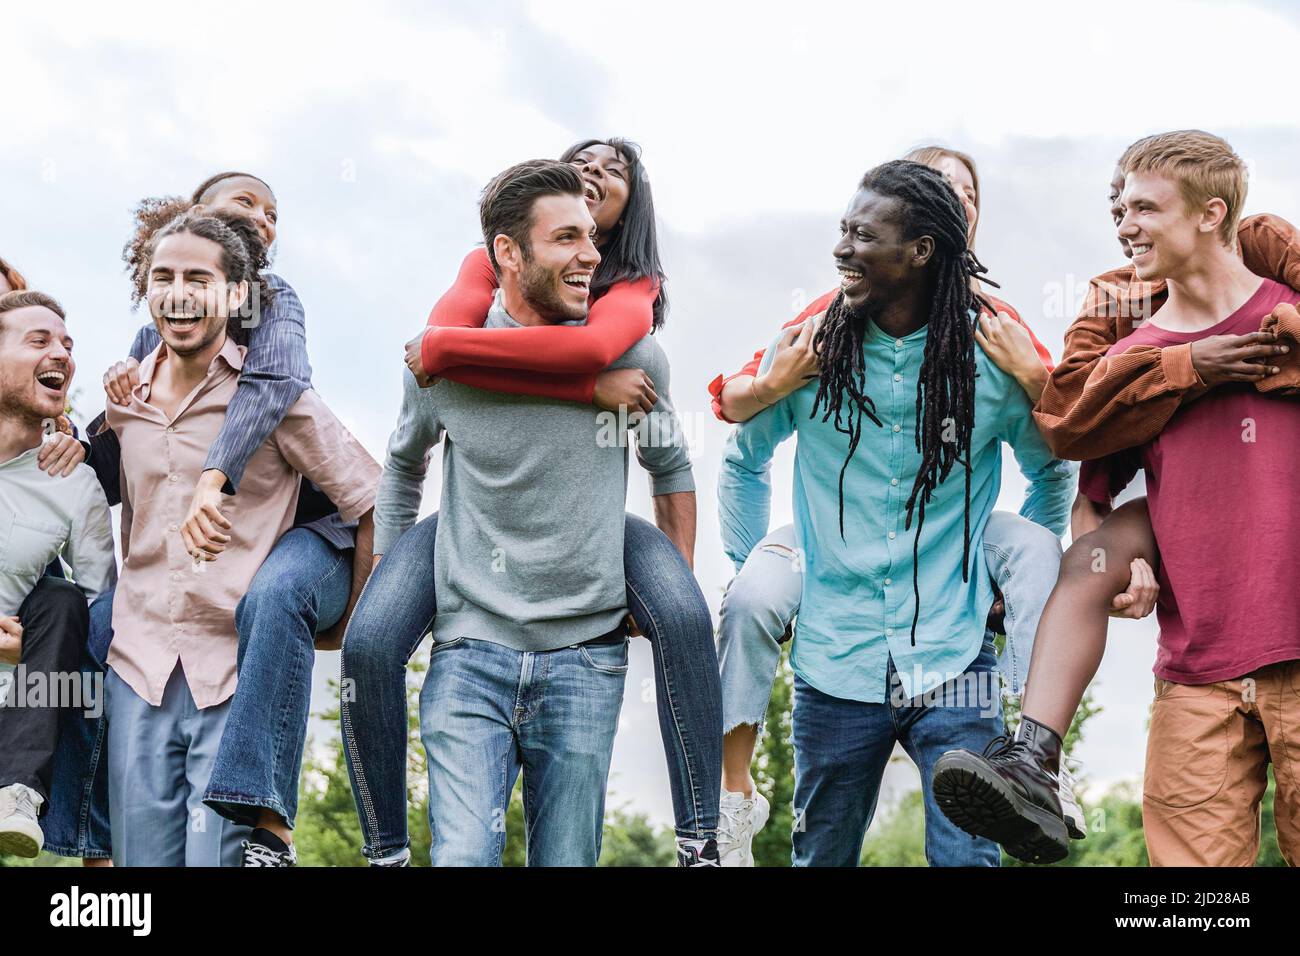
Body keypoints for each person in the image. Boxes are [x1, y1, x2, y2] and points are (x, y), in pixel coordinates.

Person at [345, 139, 722, 867]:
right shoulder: (446, 360)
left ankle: (701, 838)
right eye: (567, 238)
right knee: (461, 856)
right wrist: (396, 566)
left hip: (584, 658)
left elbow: (670, 466)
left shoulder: (632, 354)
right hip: (469, 652)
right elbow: (401, 465)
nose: (590, 255)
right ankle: (383, 852)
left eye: (593, 235)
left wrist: (664, 584)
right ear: (508, 256)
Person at [933, 130, 1300, 867]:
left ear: (1209, 213)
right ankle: (1033, 759)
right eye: (1119, 208)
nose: (1123, 224)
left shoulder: (1283, 310)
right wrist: (1187, 367)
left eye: (1143, 208)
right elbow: (1082, 447)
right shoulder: (1130, 351)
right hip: (1197, 676)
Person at [706, 146, 1074, 865]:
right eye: (845, 229)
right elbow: (743, 459)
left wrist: (997, 588)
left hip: (956, 662)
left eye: (863, 236)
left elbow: (1052, 473)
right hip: (834, 664)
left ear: (921, 252)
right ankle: (731, 796)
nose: (843, 247)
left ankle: (1039, 764)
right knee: (824, 857)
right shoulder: (813, 352)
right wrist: (769, 574)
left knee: (970, 859)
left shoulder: (991, 361)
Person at [38, 172, 375, 866]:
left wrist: (351, 623)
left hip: (231, 671)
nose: (179, 290)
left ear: (235, 294)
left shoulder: (277, 396)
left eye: (199, 275)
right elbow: (68, 498)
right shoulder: (123, 400)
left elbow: (372, 500)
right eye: (163, 276)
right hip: (139, 665)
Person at [0, 291, 116, 859]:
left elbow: (103, 613)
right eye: (39, 341)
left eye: (67, 345)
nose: (63, 355)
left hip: (11, 714)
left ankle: (19, 795)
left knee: (65, 602)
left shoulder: (72, 481)